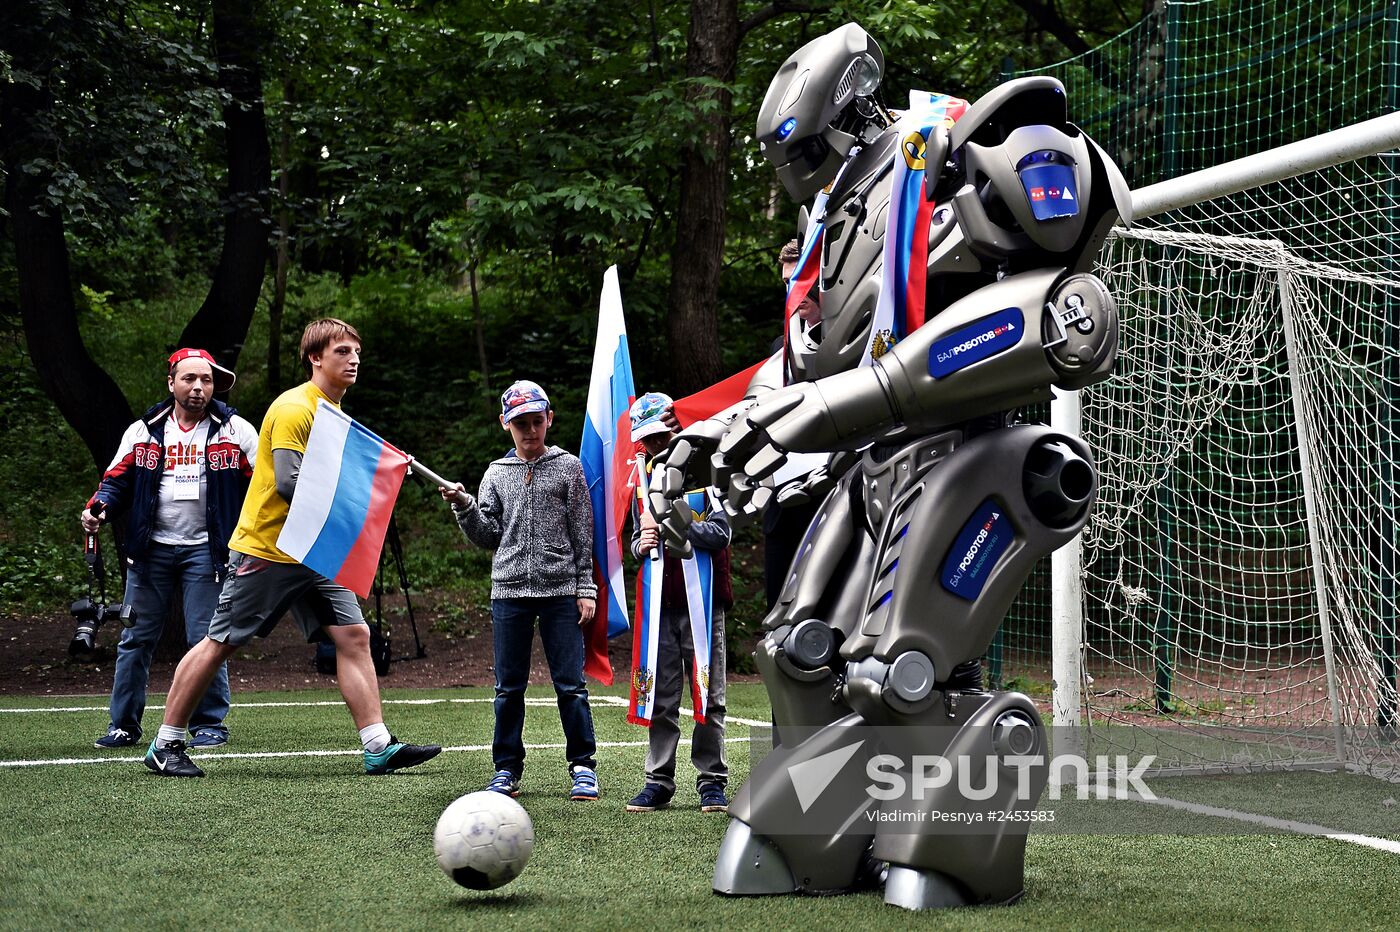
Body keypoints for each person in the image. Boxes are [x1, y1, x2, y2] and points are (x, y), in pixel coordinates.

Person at [142, 319, 441, 778]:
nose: (354, 359)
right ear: (315, 358)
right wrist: (354, 506)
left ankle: (377, 745)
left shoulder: (334, 411)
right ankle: (166, 744)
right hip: (270, 549)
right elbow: (287, 482)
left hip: (315, 548)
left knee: (354, 635)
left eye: (356, 351)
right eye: (342, 351)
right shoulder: (294, 408)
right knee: (220, 642)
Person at [84, 348, 258, 750]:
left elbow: (264, 484)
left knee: (207, 637)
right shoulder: (145, 429)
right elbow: (116, 479)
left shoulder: (236, 430)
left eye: (206, 381)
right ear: (172, 383)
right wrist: (99, 508)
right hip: (150, 550)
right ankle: (124, 725)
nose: (198, 388)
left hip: (209, 551)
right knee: (135, 638)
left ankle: (209, 724)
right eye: (189, 379)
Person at [439, 380, 601, 801]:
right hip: (508, 593)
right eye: (520, 424)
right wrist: (464, 506)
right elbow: (488, 534)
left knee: (570, 685)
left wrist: (585, 587)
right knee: (509, 688)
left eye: (536, 421)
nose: (530, 431)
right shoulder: (496, 473)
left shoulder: (568, 468)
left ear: (549, 419)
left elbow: (583, 532)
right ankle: (507, 768)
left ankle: (583, 765)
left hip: (562, 591)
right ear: (505, 425)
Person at [625, 391, 732, 813]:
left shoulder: (707, 468)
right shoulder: (642, 475)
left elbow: (722, 534)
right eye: (645, 440)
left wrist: (682, 530)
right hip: (660, 602)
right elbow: (636, 538)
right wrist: (643, 542)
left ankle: (711, 780)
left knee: (710, 691)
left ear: (676, 429)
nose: (652, 447)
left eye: (658, 436)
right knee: (661, 693)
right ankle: (658, 779)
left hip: (703, 601)